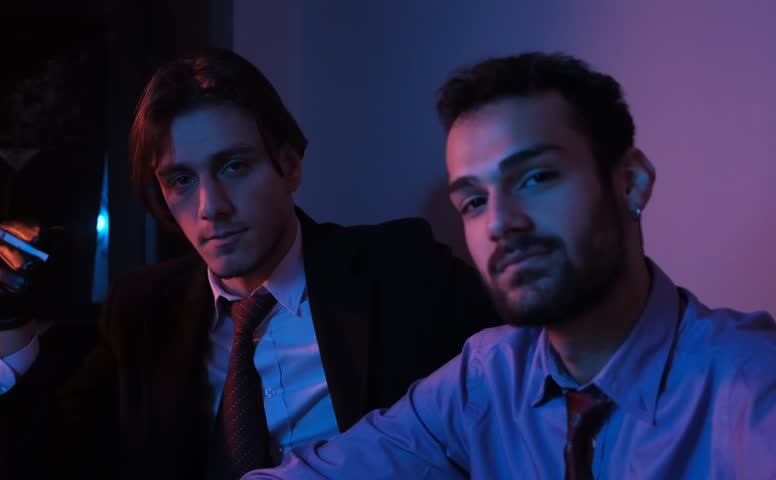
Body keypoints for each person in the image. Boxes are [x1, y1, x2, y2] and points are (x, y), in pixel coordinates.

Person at [247, 52, 776, 480]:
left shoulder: (757, 391)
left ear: (630, 181)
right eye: (474, 201)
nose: (500, 223)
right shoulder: (486, 377)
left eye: (535, 178)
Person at [0, 48, 498, 480]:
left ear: (289, 166)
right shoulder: (142, 309)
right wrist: (11, 323)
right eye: (181, 180)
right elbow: (52, 458)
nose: (210, 207)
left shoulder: (399, 269)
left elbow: (517, 381)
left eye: (233, 167)